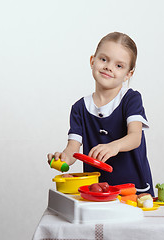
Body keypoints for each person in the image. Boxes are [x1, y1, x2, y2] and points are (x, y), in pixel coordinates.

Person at [47, 32, 154, 196]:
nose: (109, 67)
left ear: (128, 74)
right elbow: (72, 150)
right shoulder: (79, 108)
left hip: (133, 189)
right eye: (104, 59)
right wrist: (62, 159)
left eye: (119, 65)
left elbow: (135, 137)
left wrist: (114, 146)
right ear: (92, 61)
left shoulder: (131, 99)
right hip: (98, 191)